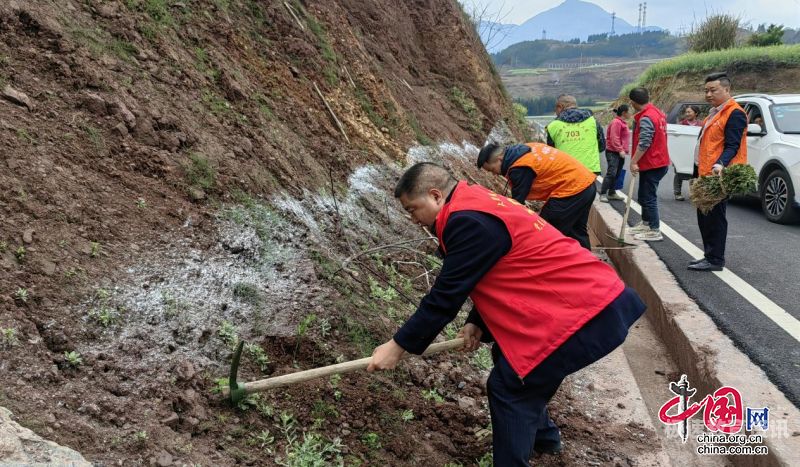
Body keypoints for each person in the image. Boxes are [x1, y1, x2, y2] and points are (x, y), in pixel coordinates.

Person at [367, 162, 646, 466]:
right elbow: (496, 268)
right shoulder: (477, 201)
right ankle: (545, 440)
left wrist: (398, 346)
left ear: (435, 196)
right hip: (589, 300)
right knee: (510, 360)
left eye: (412, 210)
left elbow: (444, 298)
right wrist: (476, 322)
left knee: (510, 388)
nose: (414, 220)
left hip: (584, 311)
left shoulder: (466, 221)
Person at [476, 141, 597, 249]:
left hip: (571, 190)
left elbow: (517, 205)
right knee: (577, 231)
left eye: (492, 170)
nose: (494, 174)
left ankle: (551, 266)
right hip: (586, 184)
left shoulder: (519, 168)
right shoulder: (524, 149)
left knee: (544, 232)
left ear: (499, 159)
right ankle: (590, 268)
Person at [688, 72, 748, 272]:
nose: (708, 94)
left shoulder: (735, 113)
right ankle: (709, 254)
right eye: (706, 90)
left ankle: (715, 259)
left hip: (718, 176)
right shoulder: (715, 112)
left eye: (713, 90)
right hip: (705, 173)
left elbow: (733, 145)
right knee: (704, 215)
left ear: (727, 89)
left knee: (715, 218)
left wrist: (720, 163)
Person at [628, 87, 670, 242]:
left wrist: (633, 161)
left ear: (632, 102)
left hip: (653, 163)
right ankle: (646, 223)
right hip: (657, 162)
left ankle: (654, 229)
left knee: (649, 197)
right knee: (643, 195)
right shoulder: (657, 112)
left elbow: (644, 142)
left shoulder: (646, 117)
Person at [546, 94, 606, 174]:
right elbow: (602, 146)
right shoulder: (592, 121)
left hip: (565, 171)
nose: (555, 111)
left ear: (560, 107)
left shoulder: (553, 126)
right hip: (590, 170)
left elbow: (552, 153)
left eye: (555, 108)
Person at [600, 105, 631, 202]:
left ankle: (612, 193)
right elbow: (614, 138)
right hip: (613, 152)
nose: (630, 113)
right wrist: (620, 149)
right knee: (612, 173)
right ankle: (603, 193)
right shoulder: (616, 122)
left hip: (619, 152)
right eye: (629, 111)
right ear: (624, 113)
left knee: (617, 173)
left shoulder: (622, 122)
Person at [674, 106, 702, 200]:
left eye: (689, 112)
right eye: (686, 112)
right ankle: (677, 193)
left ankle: (693, 193)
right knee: (679, 173)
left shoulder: (701, 125)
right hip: (682, 153)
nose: (687, 114)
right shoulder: (681, 124)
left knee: (694, 173)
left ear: (696, 113)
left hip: (696, 153)